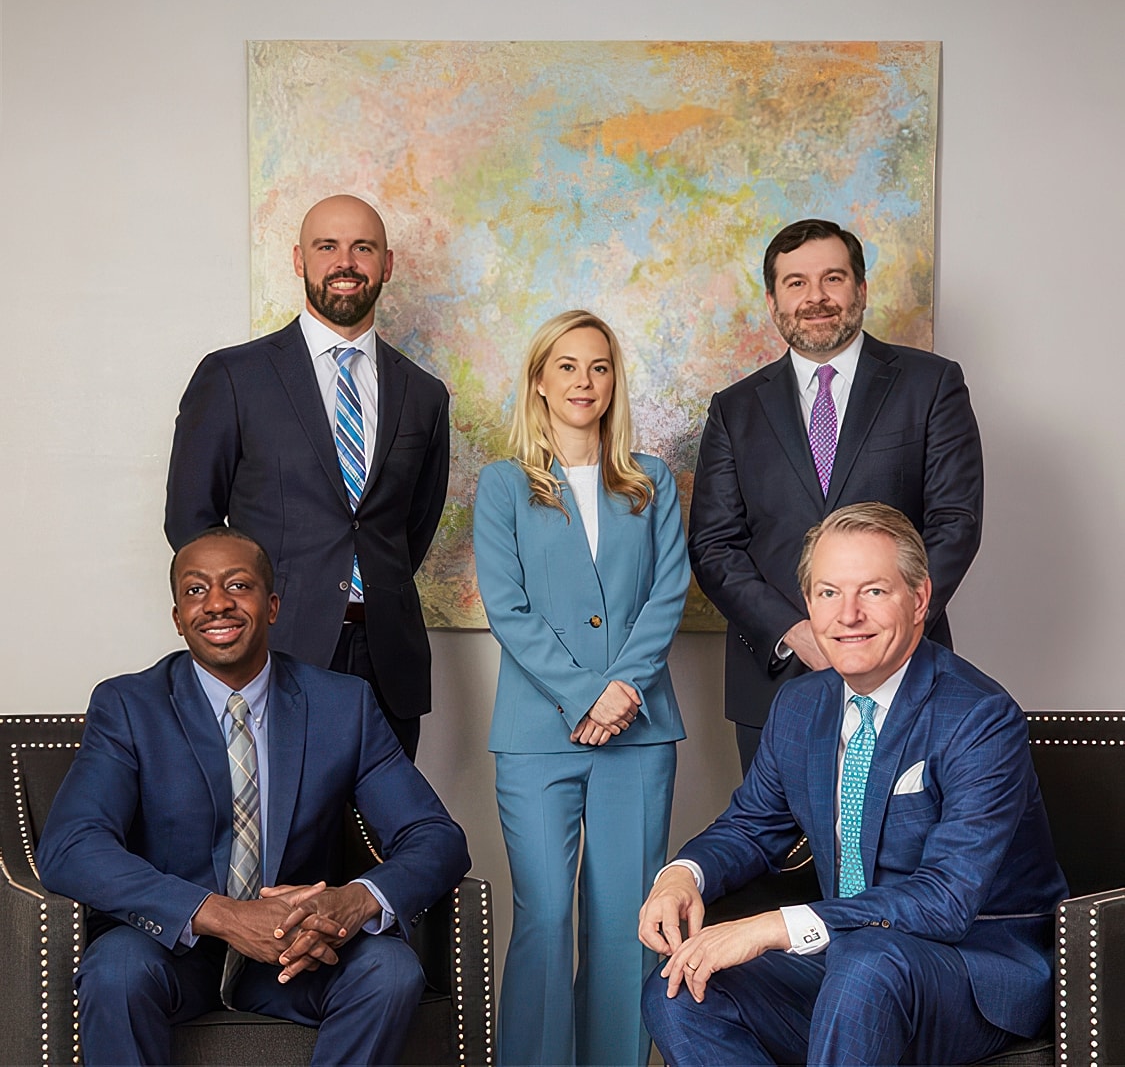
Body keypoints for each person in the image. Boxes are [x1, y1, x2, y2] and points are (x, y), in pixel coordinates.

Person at [638, 503, 1065, 1067]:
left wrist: (772, 928)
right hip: (854, 958)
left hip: (975, 968)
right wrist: (678, 877)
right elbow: (750, 826)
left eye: (874, 591)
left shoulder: (979, 717)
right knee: (681, 990)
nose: (849, 615)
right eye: (829, 593)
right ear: (809, 604)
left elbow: (946, 900)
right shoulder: (800, 705)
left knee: (867, 966)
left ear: (918, 600)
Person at [36, 527, 470, 1067]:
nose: (216, 603)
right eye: (196, 591)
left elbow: (436, 837)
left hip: (298, 952)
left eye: (238, 585)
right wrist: (216, 914)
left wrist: (353, 902)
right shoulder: (129, 705)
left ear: (272, 606)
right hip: (170, 948)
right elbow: (71, 846)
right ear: (177, 617)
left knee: (391, 970)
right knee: (115, 970)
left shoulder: (342, 705)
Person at [473, 310, 691, 1067]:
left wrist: (623, 688)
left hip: (640, 733)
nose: (583, 382)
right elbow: (508, 607)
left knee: (624, 920)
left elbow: (669, 593)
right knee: (542, 917)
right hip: (536, 734)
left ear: (613, 380)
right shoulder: (503, 486)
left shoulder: (651, 479)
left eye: (598, 367)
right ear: (539, 380)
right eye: (566, 366)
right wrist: (584, 694)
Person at [690, 217, 984, 772]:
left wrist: (890, 627)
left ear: (862, 289)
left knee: (907, 847)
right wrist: (796, 632)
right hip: (773, 680)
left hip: (906, 669)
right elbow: (714, 546)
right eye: (796, 283)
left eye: (833, 278)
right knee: (776, 850)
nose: (816, 297)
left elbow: (955, 523)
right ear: (773, 300)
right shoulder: (734, 409)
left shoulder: (931, 384)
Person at [165, 194, 449, 758]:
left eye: (362, 248)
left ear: (386, 265)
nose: (345, 262)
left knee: (384, 837)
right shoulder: (233, 376)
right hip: (274, 648)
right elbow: (192, 525)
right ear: (299, 260)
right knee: (279, 835)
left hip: (387, 658)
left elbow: (411, 529)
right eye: (328, 247)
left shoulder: (424, 394)